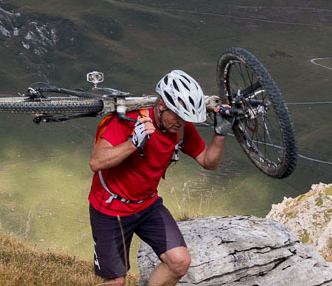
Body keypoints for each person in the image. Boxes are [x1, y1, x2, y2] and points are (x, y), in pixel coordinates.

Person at [88, 69, 232, 286]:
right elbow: (96, 162)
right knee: (116, 281)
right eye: (178, 115)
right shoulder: (129, 121)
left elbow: (208, 162)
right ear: (162, 104)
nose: (182, 122)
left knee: (179, 262)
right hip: (111, 209)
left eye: (186, 118)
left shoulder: (181, 128)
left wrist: (220, 133)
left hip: (147, 204)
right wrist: (133, 143)